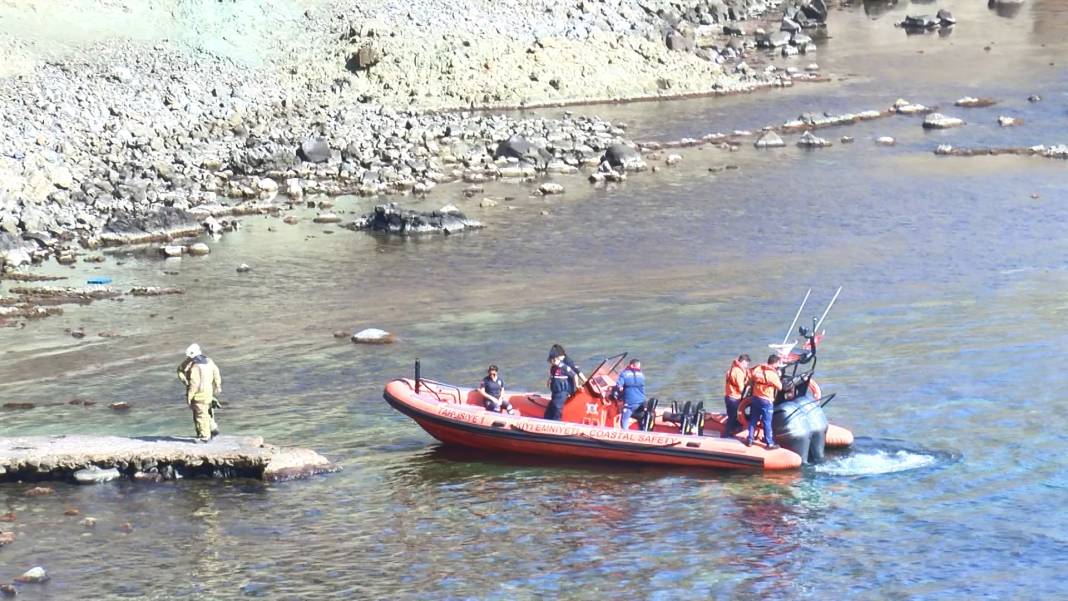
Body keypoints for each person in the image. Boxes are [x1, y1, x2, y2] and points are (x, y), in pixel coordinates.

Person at [183, 343, 223, 442]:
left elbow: (194, 384)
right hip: (209, 393)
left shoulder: (195, 367)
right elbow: (216, 372)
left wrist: (189, 397)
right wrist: (218, 385)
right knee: (207, 413)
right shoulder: (209, 361)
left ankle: (204, 437)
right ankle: (213, 429)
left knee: (200, 416)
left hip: (199, 396)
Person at [747, 354, 782, 449]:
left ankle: (749, 439)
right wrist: (779, 376)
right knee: (767, 422)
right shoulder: (772, 374)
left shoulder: (758, 370)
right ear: (775, 363)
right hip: (766, 400)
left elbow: (750, 379)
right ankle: (769, 443)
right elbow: (780, 387)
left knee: (753, 420)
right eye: (778, 363)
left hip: (755, 398)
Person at [723, 354, 750, 438]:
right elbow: (741, 388)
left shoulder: (731, 369)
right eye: (747, 363)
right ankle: (727, 435)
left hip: (728, 396)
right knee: (733, 417)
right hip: (734, 397)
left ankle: (730, 432)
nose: (747, 366)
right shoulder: (738, 372)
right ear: (743, 362)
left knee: (731, 416)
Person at [613, 359, 646, 429]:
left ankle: (625, 434)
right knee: (640, 419)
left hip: (630, 403)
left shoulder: (624, 374)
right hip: (641, 402)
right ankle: (643, 432)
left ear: (631, 365)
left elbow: (618, 386)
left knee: (624, 420)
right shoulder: (642, 375)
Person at [545, 353, 577, 420]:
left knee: (557, 406)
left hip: (562, 391)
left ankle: (557, 421)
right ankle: (547, 420)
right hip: (555, 391)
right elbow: (551, 376)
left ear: (554, 360)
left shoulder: (564, 367)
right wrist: (549, 381)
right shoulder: (553, 368)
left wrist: (576, 385)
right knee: (550, 408)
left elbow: (574, 375)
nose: (550, 363)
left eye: (551, 361)